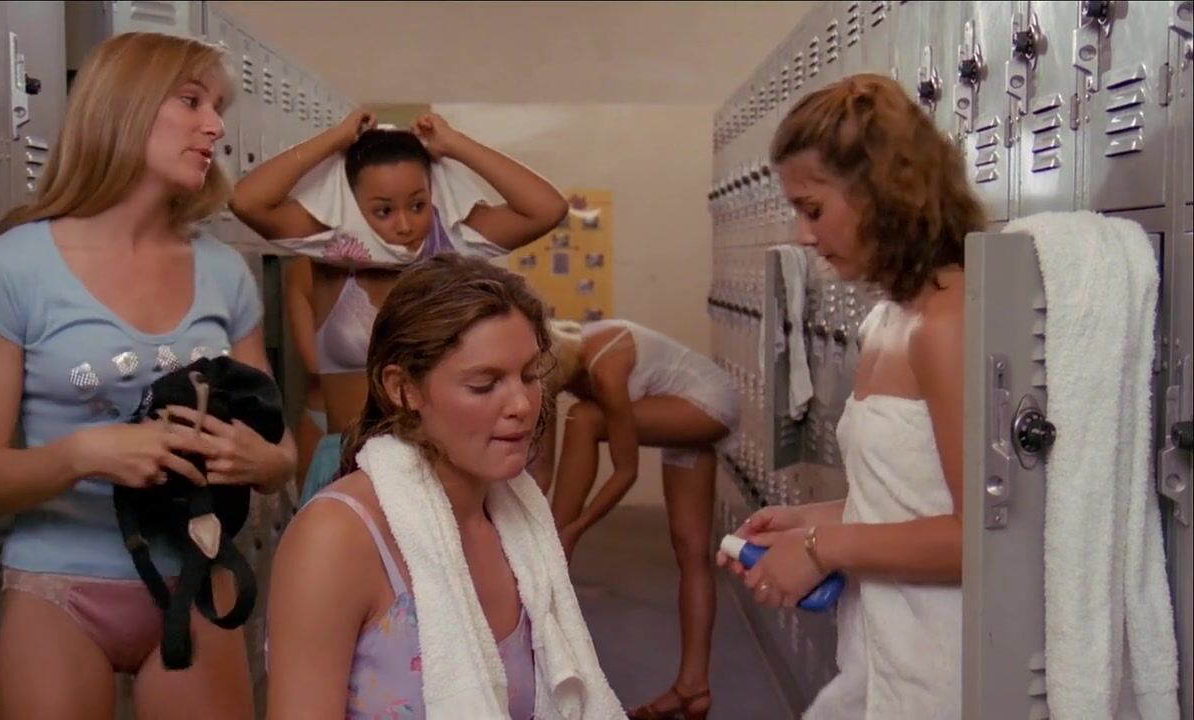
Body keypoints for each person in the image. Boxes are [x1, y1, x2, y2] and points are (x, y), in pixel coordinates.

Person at [0, 32, 296, 720]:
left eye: (219, 107)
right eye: (192, 101)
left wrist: (259, 460)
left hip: (198, 577)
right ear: (125, 107)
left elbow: (280, 450)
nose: (215, 126)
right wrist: (87, 453)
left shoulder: (224, 271)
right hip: (60, 587)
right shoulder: (8, 269)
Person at [718, 73, 984, 719]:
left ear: (880, 193)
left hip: (947, 666)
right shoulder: (889, 318)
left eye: (812, 209)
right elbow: (910, 495)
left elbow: (983, 536)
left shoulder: (948, 325)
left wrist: (822, 549)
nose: (803, 236)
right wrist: (812, 520)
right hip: (886, 651)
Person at [265, 254, 624, 719]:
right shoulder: (336, 539)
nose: (521, 404)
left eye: (530, 375)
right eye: (484, 384)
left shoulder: (517, 524)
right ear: (403, 388)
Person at [231, 108, 567, 504]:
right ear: (352, 205)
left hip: (440, 469)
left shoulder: (450, 246)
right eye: (383, 211)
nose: (405, 225)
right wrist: (336, 139)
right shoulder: (333, 254)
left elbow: (547, 208)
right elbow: (246, 201)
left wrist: (455, 144)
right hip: (351, 462)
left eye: (418, 205)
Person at [541, 318, 740, 720]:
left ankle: (556, 542)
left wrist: (575, 529)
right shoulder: (561, 359)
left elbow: (625, 471)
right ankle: (693, 687)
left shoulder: (604, 366)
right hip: (677, 406)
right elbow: (541, 470)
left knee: (584, 417)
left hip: (706, 402)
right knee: (692, 553)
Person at [283, 255, 327, 495]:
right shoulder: (302, 270)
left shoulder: (408, 260)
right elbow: (314, 363)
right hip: (325, 419)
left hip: (393, 421)